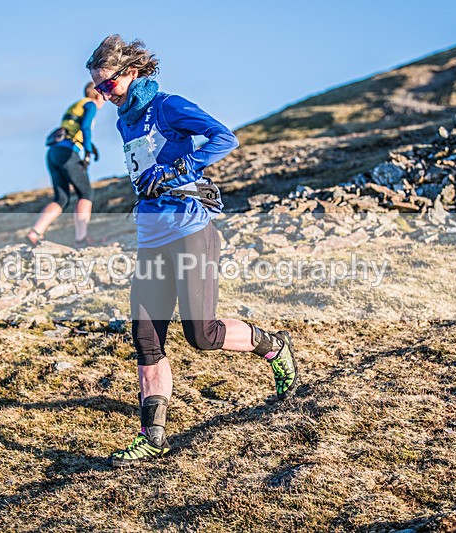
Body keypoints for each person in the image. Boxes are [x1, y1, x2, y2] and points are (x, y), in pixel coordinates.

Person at [86, 35, 299, 467]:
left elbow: (224, 138)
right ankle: (153, 437)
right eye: (96, 88)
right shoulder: (125, 120)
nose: (102, 95)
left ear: (131, 73)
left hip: (190, 232)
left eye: (107, 85)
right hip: (152, 239)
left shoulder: (166, 105)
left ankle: (274, 346)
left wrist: (178, 168)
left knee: (202, 335)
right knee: (146, 338)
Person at [26, 82, 104, 248]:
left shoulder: (76, 104)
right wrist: (88, 152)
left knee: (61, 198)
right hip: (68, 152)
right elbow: (85, 128)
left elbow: (72, 129)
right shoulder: (90, 105)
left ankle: (35, 232)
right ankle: (81, 239)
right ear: (98, 94)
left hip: (53, 152)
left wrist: (91, 147)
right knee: (86, 193)